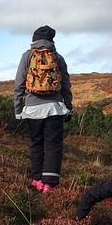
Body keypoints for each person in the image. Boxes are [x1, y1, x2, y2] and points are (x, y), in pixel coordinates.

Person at [14, 25, 73, 192]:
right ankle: (49, 183)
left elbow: (18, 84)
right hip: (54, 109)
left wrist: (18, 109)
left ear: (34, 40)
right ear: (51, 41)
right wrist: (68, 107)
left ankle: (36, 180)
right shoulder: (57, 57)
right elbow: (66, 85)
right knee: (53, 145)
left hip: (32, 110)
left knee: (36, 144)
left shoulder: (27, 56)